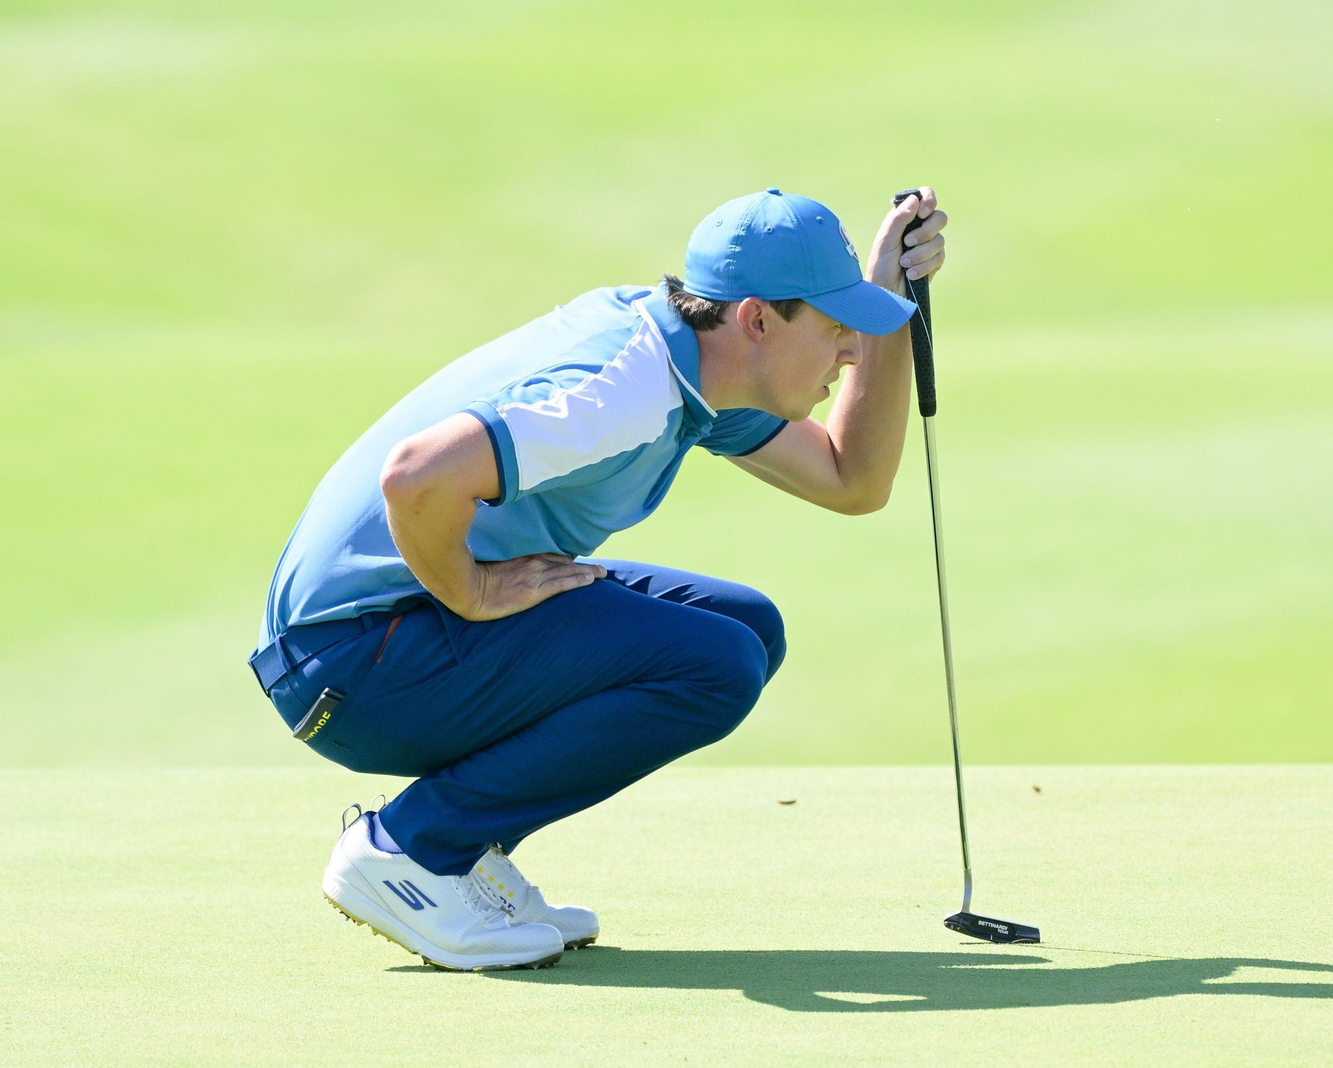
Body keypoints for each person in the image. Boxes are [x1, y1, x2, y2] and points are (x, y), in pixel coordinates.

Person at [247, 186, 948, 971]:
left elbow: (851, 480)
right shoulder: (630, 386)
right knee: (714, 664)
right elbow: (416, 477)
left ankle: (463, 852)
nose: (850, 352)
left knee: (747, 627)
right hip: (349, 665)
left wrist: (885, 305)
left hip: (378, 640)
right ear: (756, 318)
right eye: (834, 330)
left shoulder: (697, 363)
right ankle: (413, 853)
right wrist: (471, 591)